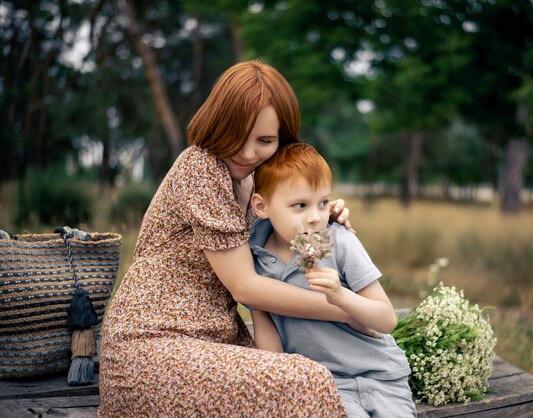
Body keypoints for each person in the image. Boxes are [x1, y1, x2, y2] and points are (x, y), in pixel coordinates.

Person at [99, 60, 364, 416]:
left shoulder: (261, 184)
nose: (247, 151)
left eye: (266, 141)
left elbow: (290, 230)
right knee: (306, 381)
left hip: (216, 344)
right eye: (235, 135)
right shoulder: (201, 167)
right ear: (218, 123)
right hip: (153, 346)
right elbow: (246, 288)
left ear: (283, 139)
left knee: (322, 376)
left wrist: (320, 215)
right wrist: (349, 310)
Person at [248, 143, 417, 418]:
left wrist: (341, 295)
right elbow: (266, 330)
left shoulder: (340, 241)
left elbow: (386, 319)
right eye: (300, 205)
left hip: (381, 375)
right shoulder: (254, 259)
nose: (315, 217)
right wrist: (280, 390)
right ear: (261, 206)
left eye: (323, 202)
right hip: (325, 384)